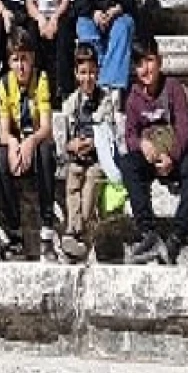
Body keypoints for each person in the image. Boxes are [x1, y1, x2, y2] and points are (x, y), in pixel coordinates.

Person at [120, 37, 188, 266]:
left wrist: (172, 156)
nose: (145, 69)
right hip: (150, 159)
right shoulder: (133, 98)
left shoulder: (173, 88)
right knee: (128, 163)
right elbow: (129, 135)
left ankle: (176, 239)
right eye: (139, 64)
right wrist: (141, 145)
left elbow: (184, 129)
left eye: (149, 61)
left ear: (159, 61)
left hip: (174, 156)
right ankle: (148, 234)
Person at [0, 27, 57, 260]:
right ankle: (15, 233)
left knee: (45, 152)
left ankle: (47, 232)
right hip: (18, 142)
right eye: (15, 60)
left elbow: (47, 127)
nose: (20, 66)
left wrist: (30, 141)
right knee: (0, 158)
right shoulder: (4, 84)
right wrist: (12, 143)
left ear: (32, 59)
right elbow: (2, 130)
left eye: (25, 59)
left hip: (37, 140)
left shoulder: (41, 79)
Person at [60, 44, 114, 263]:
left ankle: (77, 228)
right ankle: (74, 230)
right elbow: (65, 137)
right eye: (83, 72)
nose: (88, 78)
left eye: (92, 72)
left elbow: (107, 132)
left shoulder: (105, 100)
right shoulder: (71, 102)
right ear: (76, 74)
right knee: (73, 181)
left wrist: (92, 143)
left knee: (91, 183)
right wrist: (73, 145)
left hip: (97, 158)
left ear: (98, 73)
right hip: (77, 157)